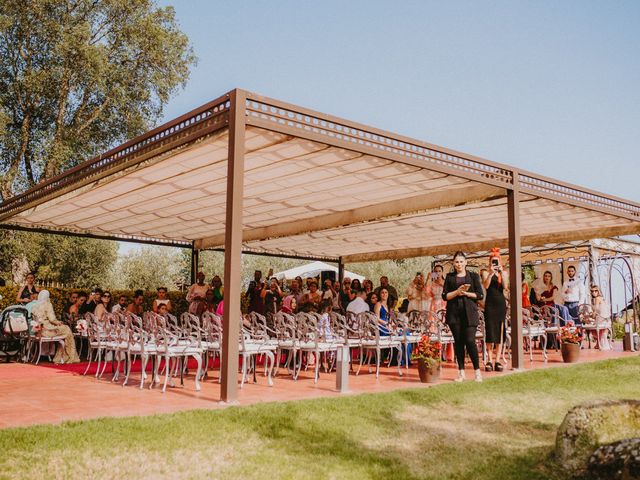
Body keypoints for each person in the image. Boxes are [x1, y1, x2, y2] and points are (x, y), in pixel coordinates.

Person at [442, 251, 484, 383]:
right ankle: (461, 373)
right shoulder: (449, 277)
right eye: (456, 262)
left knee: (470, 341)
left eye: (461, 261)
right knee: (458, 343)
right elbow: (445, 296)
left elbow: (480, 295)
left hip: (470, 314)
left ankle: (477, 372)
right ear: (453, 263)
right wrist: (457, 292)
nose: (459, 264)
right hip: (454, 314)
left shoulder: (473, 276)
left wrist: (466, 293)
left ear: (465, 262)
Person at [31, 290, 80, 364]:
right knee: (67, 329)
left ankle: (62, 356)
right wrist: (59, 322)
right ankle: (69, 356)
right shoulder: (48, 304)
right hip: (48, 330)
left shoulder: (34, 306)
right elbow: (52, 319)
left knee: (65, 333)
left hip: (39, 331)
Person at [481, 249, 508, 372]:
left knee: (500, 332)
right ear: (490, 263)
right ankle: (489, 360)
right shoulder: (486, 273)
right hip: (490, 304)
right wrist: (491, 273)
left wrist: (501, 273)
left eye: (496, 262)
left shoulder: (504, 273)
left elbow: (506, 287)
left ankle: (498, 360)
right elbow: (486, 286)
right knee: (490, 332)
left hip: (500, 304)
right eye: (493, 262)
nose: (495, 264)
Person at [590, 285, 612, 350]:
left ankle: (599, 343)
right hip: (606, 320)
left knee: (590, 327)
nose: (594, 292)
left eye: (595, 291)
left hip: (601, 319)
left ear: (598, 291)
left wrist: (591, 316)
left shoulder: (597, 299)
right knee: (593, 323)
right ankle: (598, 343)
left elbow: (596, 309)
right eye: (592, 291)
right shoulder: (602, 298)